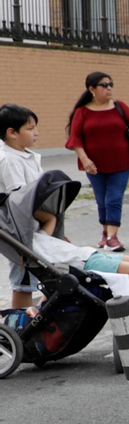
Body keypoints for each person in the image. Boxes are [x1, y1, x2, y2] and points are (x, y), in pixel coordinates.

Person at [66, 71, 129, 251]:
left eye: (111, 84)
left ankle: (112, 237)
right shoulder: (82, 111)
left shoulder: (120, 106)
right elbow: (75, 138)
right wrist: (85, 159)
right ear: (92, 89)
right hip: (93, 164)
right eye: (104, 85)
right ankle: (105, 233)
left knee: (114, 198)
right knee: (101, 200)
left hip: (121, 162)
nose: (109, 88)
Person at [1, 103, 44, 309]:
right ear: (12, 133)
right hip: (19, 235)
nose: (36, 133)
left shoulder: (26, 156)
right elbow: (19, 201)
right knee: (23, 284)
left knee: (45, 277)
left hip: (34, 230)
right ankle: (18, 324)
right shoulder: (10, 160)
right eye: (30, 128)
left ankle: (35, 319)